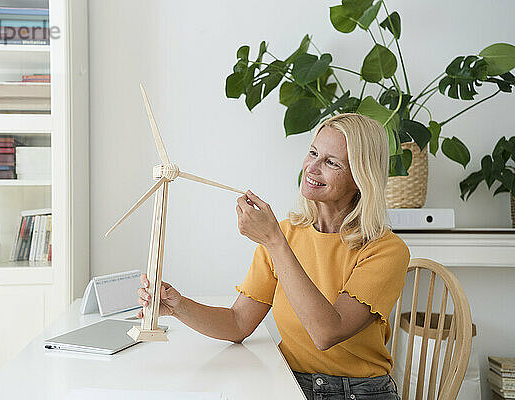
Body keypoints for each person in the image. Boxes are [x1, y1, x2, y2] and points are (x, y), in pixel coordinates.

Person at [137, 113, 409, 399]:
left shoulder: (386, 250)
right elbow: (238, 323)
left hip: (357, 392)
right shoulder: (286, 233)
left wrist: (274, 242)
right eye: (313, 153)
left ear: (360, 178)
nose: (312, 168)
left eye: (331, 162)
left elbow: (326, 333)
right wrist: (178, 306)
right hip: (289, 384)